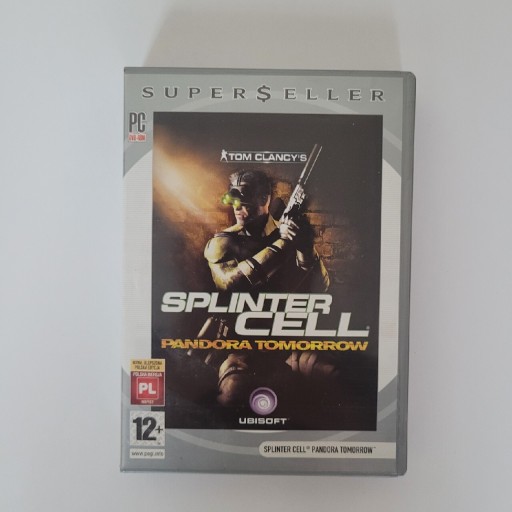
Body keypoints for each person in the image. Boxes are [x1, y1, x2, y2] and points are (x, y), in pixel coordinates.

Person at [203, 170, 338, 411]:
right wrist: (283, 242)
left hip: (286, 343)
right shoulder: (222, 242)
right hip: (239, 345)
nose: (236, 205)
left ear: (264, 198)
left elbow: (319, 289)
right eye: (233, 197)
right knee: (233, 392)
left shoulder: (289, 231)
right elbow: (232, 284)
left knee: (335, 376)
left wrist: (305, 249)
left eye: (244, 197)